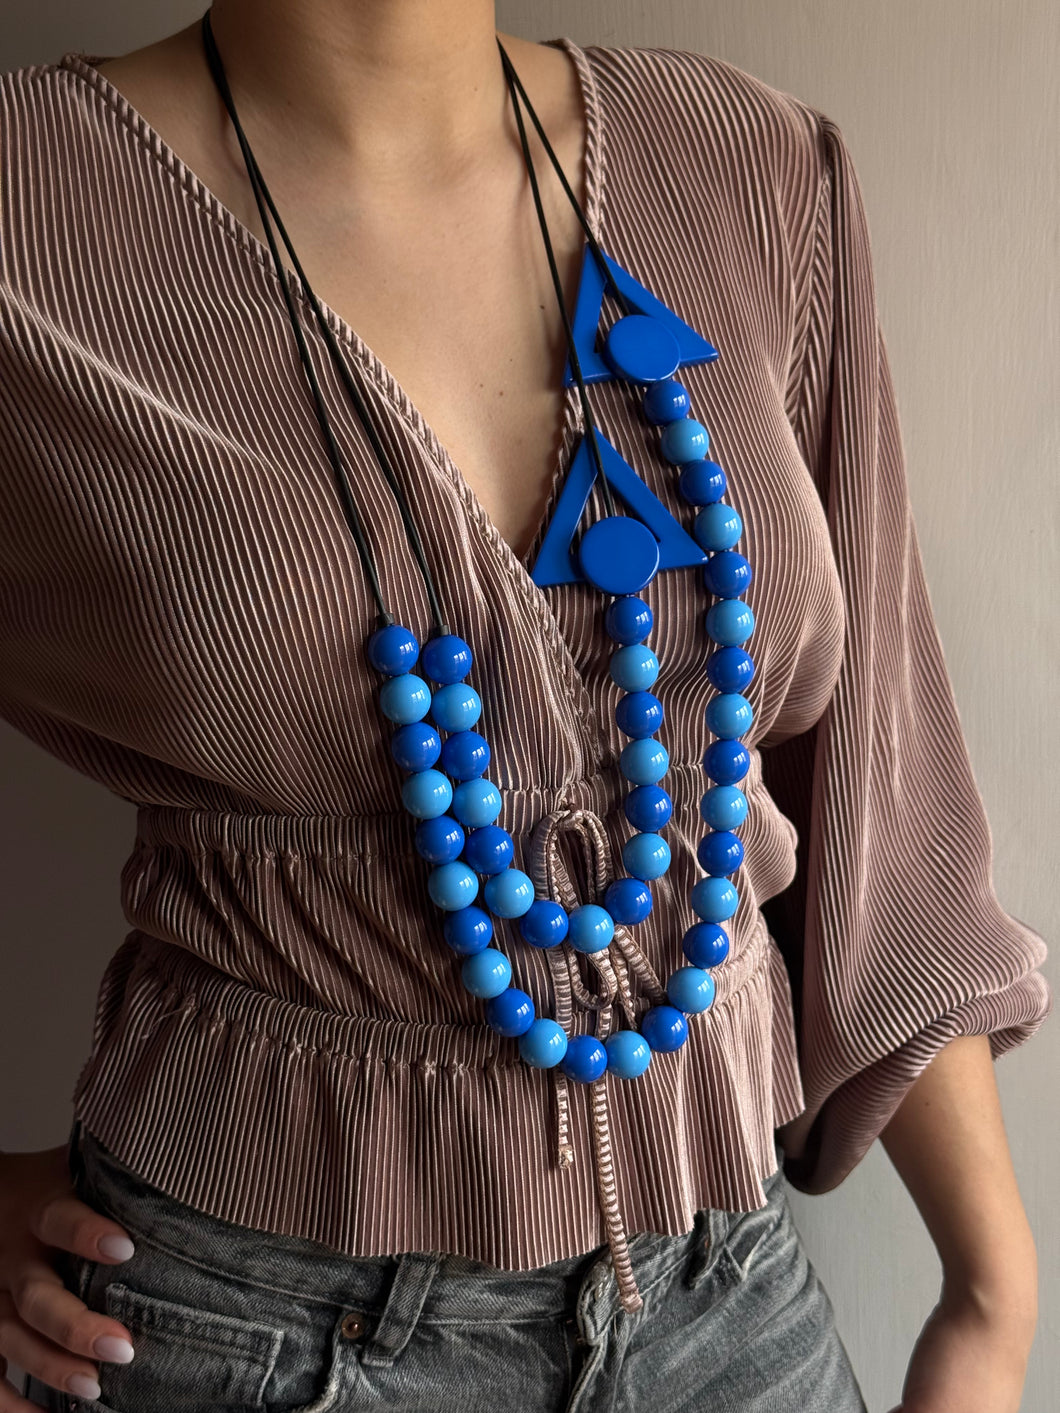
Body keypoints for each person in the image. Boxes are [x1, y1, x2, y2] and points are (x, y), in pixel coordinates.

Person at [0, 2, 1051, 1410]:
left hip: (729, 1302)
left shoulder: (748, 166)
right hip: (243, 1324)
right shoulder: (28, 209)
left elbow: (878, 778)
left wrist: (990, 1293)